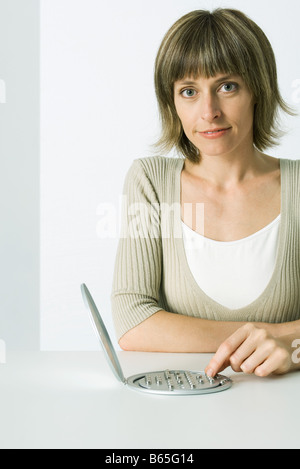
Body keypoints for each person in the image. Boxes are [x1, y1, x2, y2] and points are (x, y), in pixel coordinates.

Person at [111, 8, 300, 377]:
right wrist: (279, 335)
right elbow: (133, 322)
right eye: (189, 91)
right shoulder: (149, 182)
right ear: (172, 103)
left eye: (227, 86)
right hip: (177, 413)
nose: (208, 111)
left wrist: (292, 348)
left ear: (258, 90)